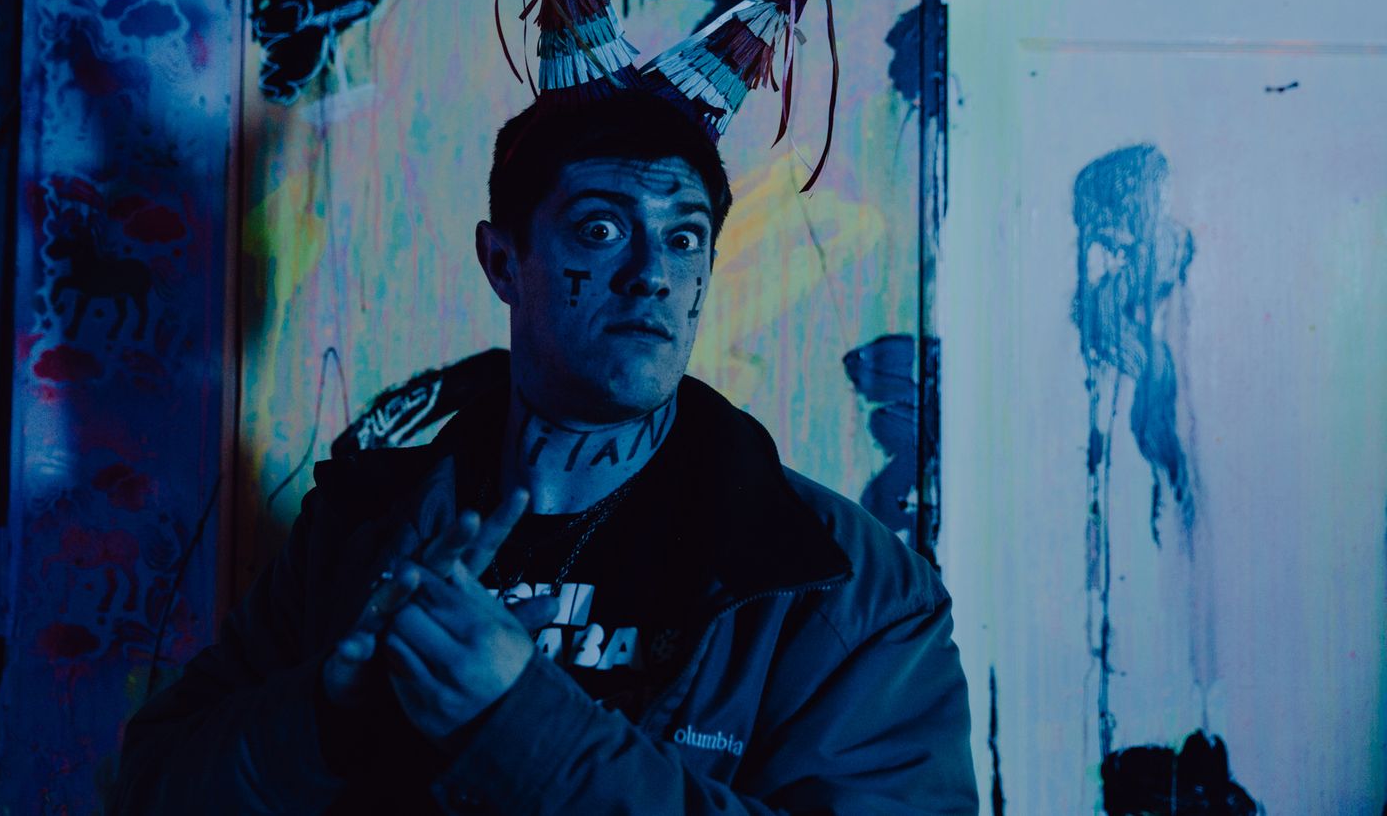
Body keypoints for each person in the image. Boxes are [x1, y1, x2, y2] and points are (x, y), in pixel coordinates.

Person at [109, 88, 977, 813]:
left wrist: (523, 723)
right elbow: (150, 788)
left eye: (684, 237)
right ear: (502, 261)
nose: (652, 273)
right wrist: (326, 716)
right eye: (601, 229)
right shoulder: (359, 525)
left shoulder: (843, 587)